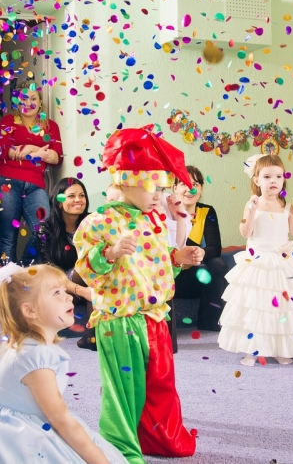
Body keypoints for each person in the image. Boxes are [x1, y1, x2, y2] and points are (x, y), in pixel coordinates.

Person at [74, 125, 202, 464]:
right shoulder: (98, 221)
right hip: (120, 319)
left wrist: (179, 257)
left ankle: (160, 438)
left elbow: (158, 265)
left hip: (155, 316)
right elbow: (85, 268)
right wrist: (111, 253)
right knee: (124, 390)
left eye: (162, 187)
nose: (159, 195)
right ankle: (119, 449)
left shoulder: (154, 218)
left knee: (161, 385)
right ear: (126, 181)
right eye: (152, 186)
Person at [0, 263, 127, 464]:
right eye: (57, 293)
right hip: (11, 437)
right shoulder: (35, 357)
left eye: (65, 291)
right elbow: (60, 419)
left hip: (21, 416)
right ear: (30, 311)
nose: (69, 297)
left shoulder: (31, 345)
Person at [218, 154, 293, 366]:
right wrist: (251, 210)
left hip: (279, 264)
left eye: (278, 176)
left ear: (284, 179)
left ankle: (279, 348)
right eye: (267, 177)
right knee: (256, 306)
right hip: (257, 263)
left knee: (280, 307)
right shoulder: (252, 205)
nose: (273, 181)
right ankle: (252, 349)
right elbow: (246, 232)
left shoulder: (287, 207)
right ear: (256, 180)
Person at [0, 80, 63, 264]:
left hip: (35, 185)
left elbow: (57, 157)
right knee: (8, 238)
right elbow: (2, 150)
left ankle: (23, 271)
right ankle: (7, 280)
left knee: (45, 230)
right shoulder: (8, 121)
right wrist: (36, 151)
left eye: (33, 98)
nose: (28, 103)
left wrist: (29, 150)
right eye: (23, 98)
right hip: (5, 181)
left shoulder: (51, 126)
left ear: (40, 102)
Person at [35, 177, 95, 349]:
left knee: (92, 267)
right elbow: (50, 270)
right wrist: (81, 291)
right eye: (71, 196)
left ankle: (93, 335)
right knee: (86, 268)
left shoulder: (92, 223)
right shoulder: (45, 229)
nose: (78, 200)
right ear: (59, 202)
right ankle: (93, 335)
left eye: (82, 195)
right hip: (59, 285)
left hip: (90, 281)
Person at [171, 166, 228, 332]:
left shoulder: (206, 211)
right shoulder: (164, 211)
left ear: (201, 188)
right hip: (168, 278)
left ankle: (210, 321)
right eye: (184, 184)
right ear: (175, 188)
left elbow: (215, 248)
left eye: (195, 184)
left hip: (193, 279)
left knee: (217, 264)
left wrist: (201, 252)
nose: (190, 189)